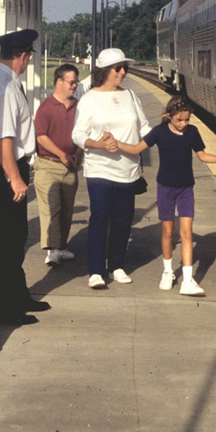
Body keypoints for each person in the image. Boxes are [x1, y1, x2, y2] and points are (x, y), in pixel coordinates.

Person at [115, 95, 216, 296]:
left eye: (187, 120)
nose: (183, 124)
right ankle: (167, 272)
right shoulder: (159, 132)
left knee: (187, 233)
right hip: (165, 188)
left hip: (185, 189)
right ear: (168, 116)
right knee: (167, 232)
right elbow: (136, 148)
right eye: (179, 120)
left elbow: (203, 155)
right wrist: (116, 143)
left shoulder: (192, 132)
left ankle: (188, 280)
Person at [0, 28, 51, 327]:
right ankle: (1, 308)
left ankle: (17, 295)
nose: (29, 61)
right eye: (29, 56)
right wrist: (14, 178)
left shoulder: (5, 82)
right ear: (22, 56)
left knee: (15, 236)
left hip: (8, 165)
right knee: (4, 240)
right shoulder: (3, 88)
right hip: (4, 166)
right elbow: (3, 138)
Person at [71, 48, 151, 290]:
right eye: (118, 68)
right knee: (100, 217)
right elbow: (77, 134)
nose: (123, 72)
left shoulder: (130, 96)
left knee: (123, 220)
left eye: (124, 67)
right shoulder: (89, 99)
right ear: (105, 71)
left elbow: (145, 127)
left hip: (128, 169)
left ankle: (116, 265)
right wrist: (99, 144)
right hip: (99, 168)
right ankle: (96, 270)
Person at [34, 62, 82, 265]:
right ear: (59, 82)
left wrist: (78, 153)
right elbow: (41, 136)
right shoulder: (46, 107)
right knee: (51, 208)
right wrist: (61, 154)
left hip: (70, 167)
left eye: (76, 83)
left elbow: (85, 131)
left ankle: (60, 246)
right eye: (71, 82)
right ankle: (52, 250)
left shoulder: (78, 106)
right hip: (48, 165)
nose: (74, 86)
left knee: (66, 209)